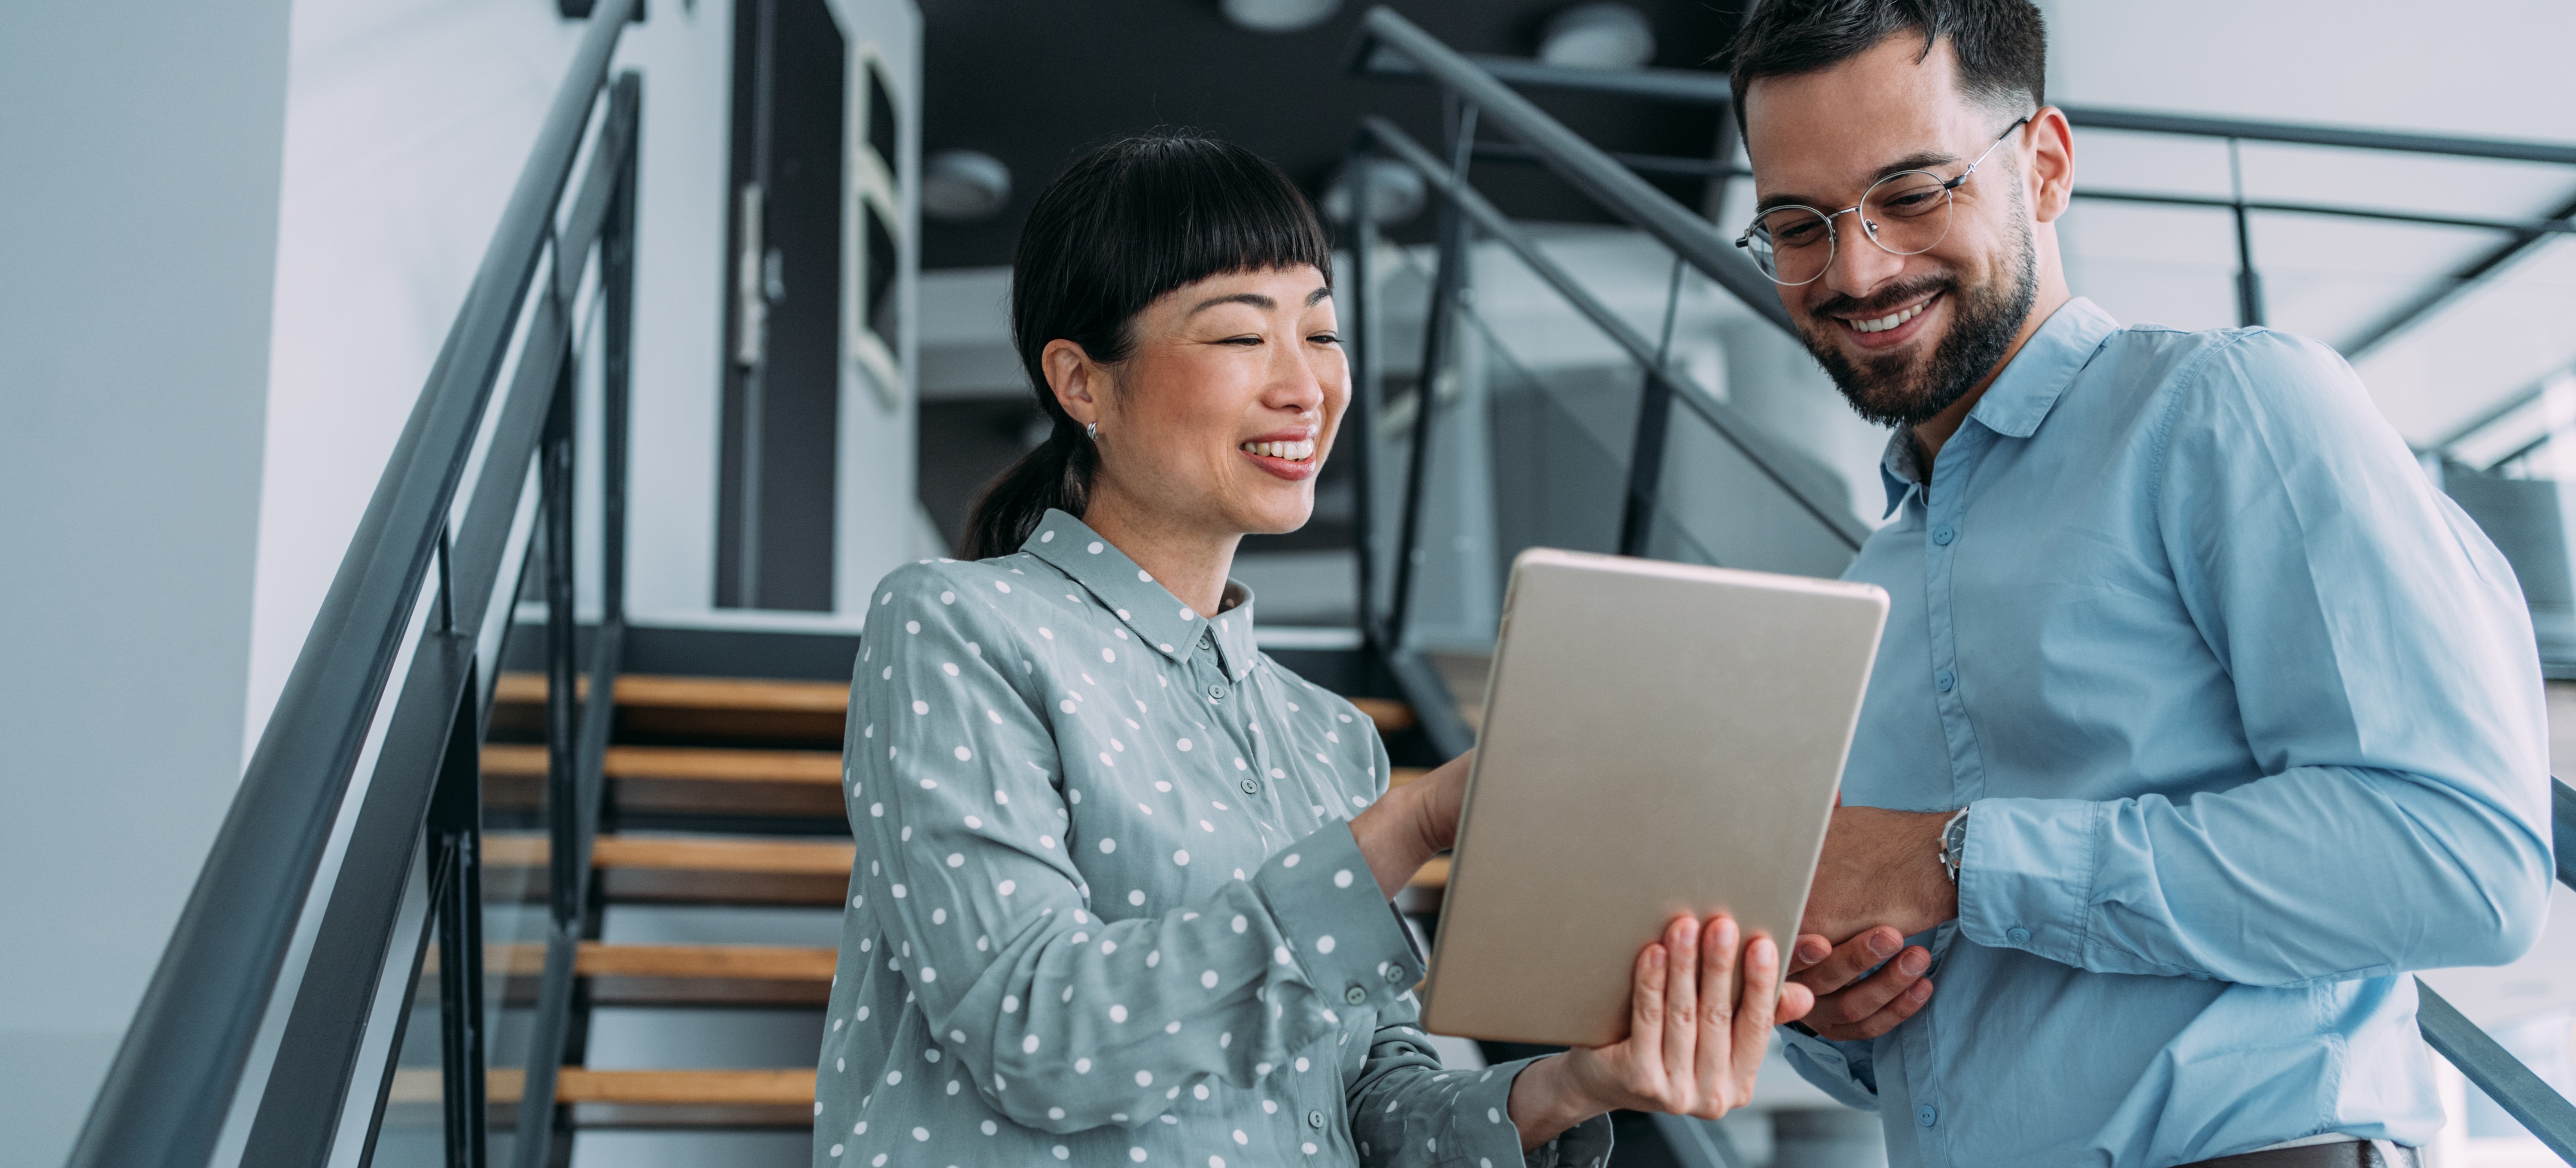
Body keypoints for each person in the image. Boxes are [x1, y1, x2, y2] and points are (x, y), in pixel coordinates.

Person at [813, 133, 1817, 1168]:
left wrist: (1574, 1081)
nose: (1307, 386)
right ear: (1081, 382)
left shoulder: (1329, 739)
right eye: (1242, 338)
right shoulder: (956, 626)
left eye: (1323, 333)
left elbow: (1371, 1109)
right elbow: (1037, 1036)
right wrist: (1414, 823)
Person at [1720, 2, 2557, 1165]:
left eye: (1913, 195)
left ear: (2046, 167)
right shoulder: (1874, 588)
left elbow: (2462, 859)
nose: (1857, 267)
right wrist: (1832, 1011)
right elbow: (1950, 1022)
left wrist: (1952, 861)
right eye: (1799, 225)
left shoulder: (2232, 410)